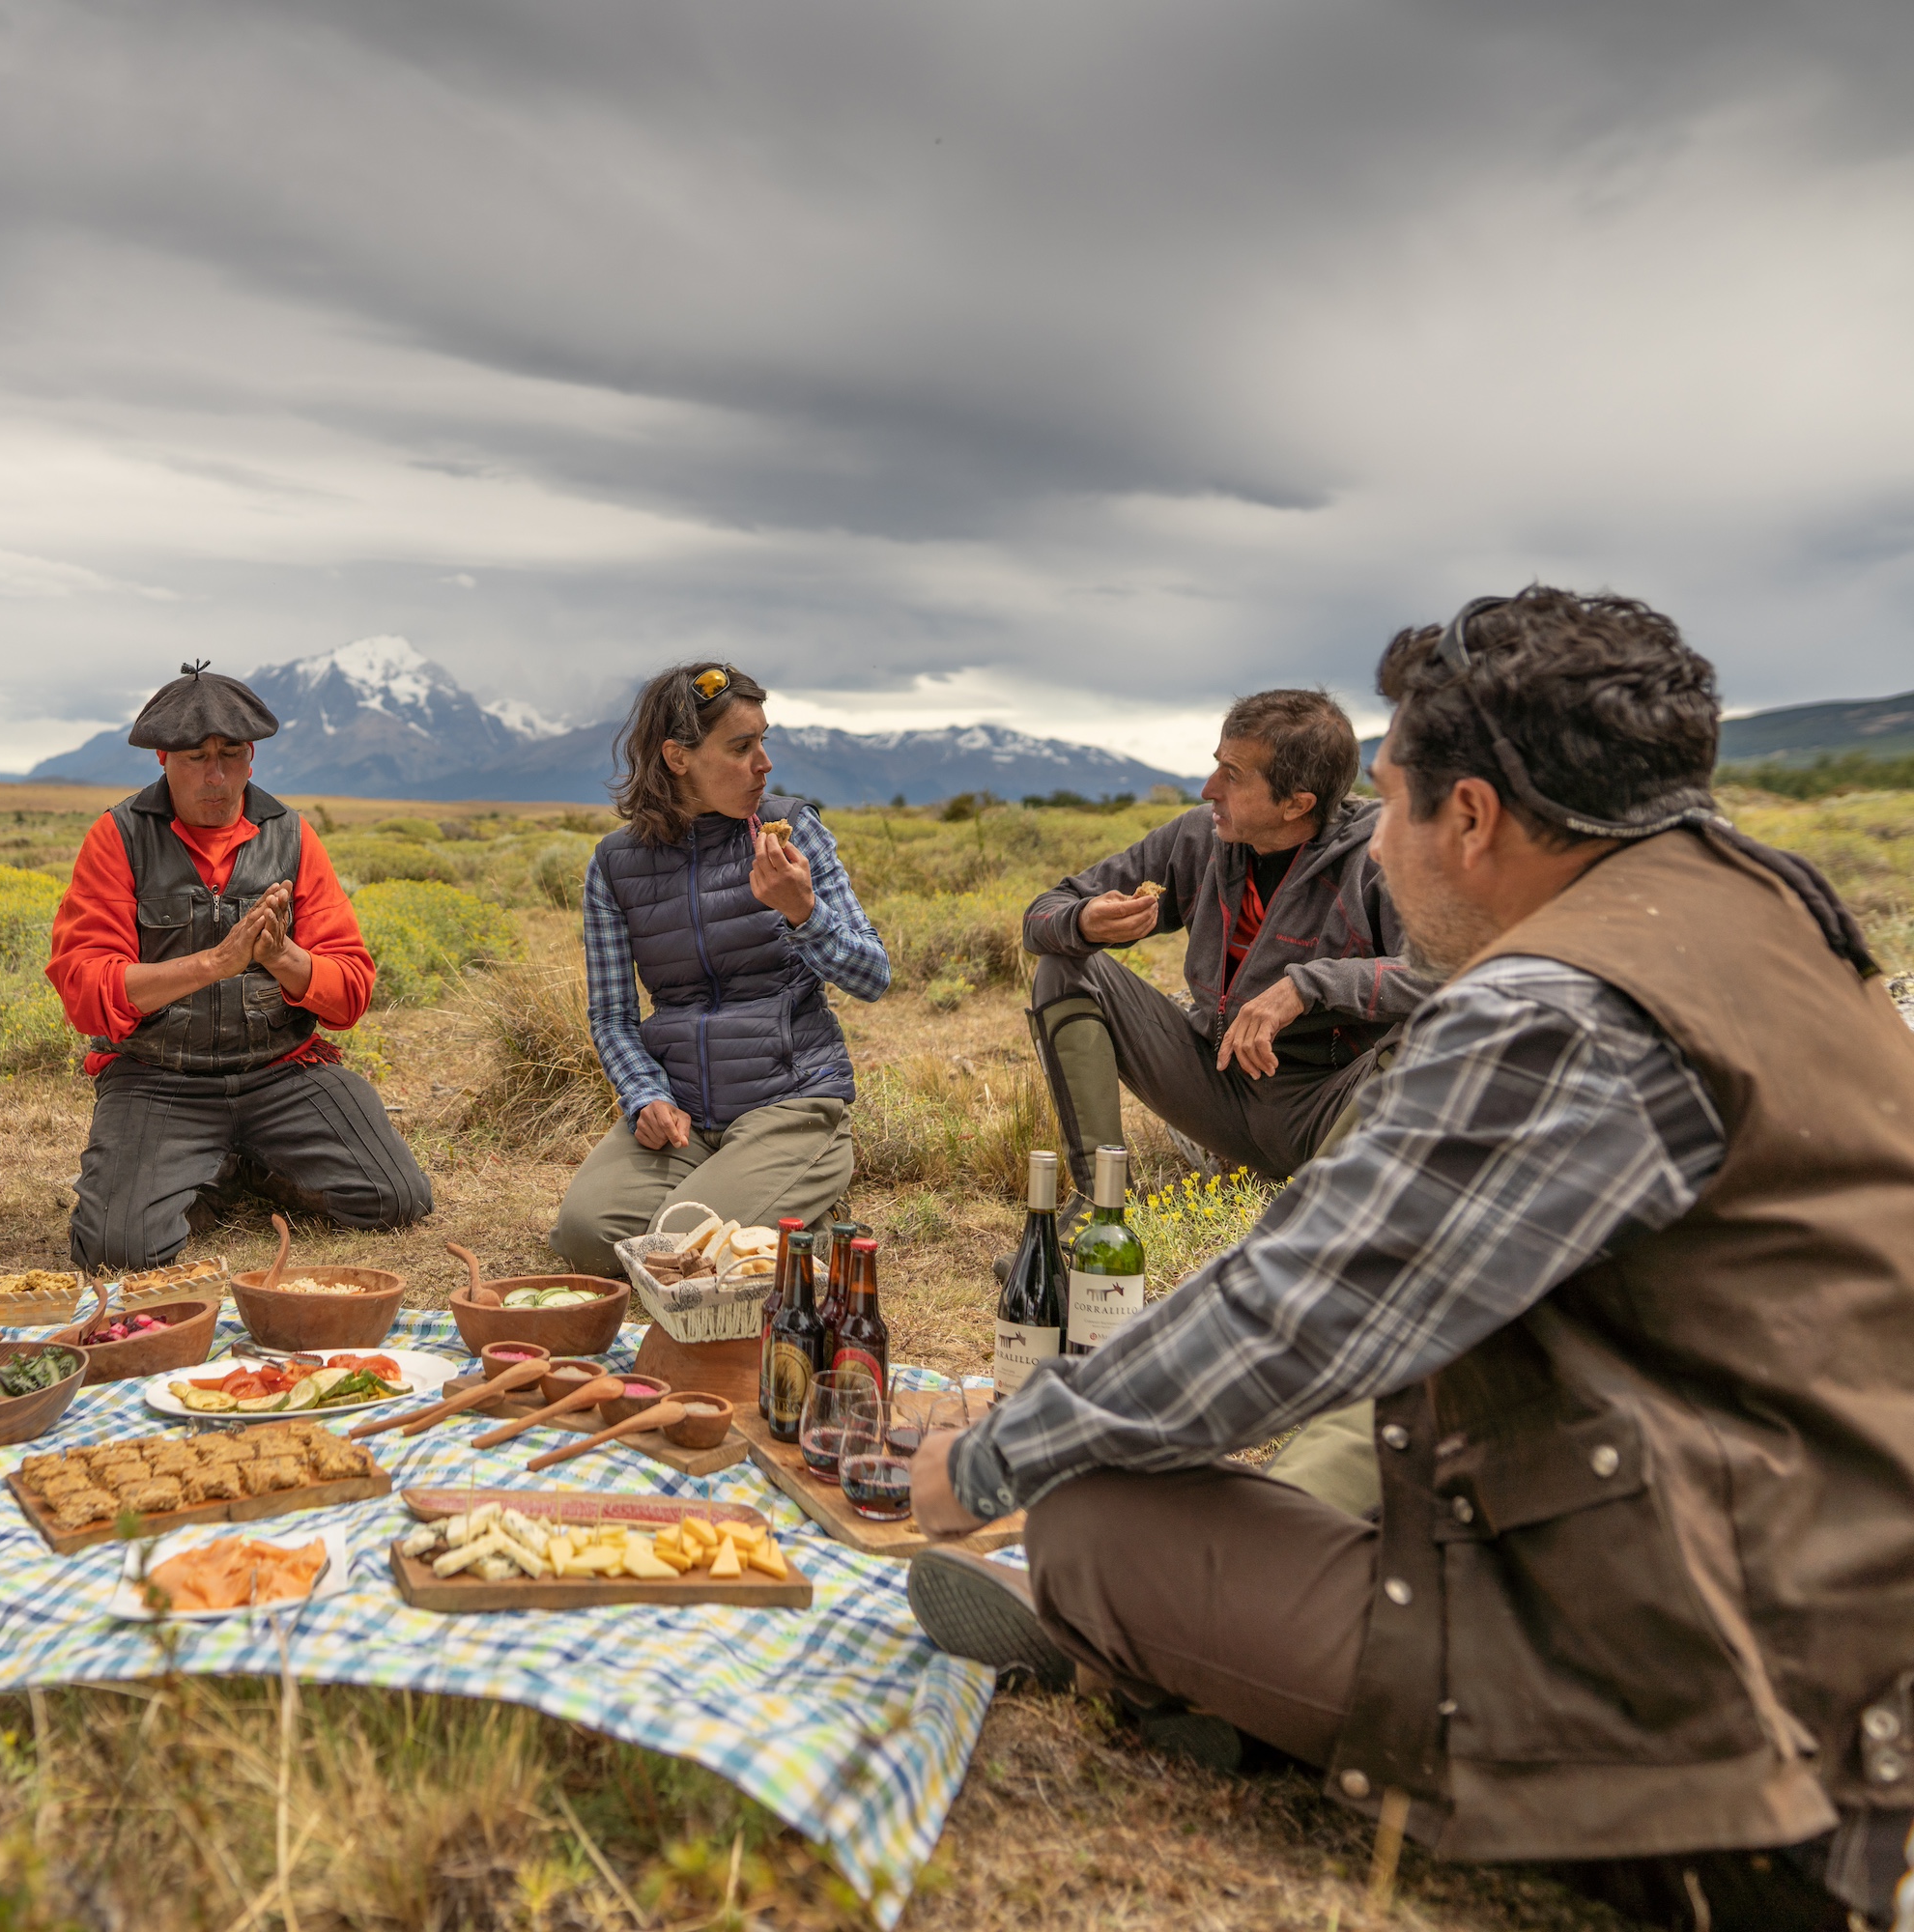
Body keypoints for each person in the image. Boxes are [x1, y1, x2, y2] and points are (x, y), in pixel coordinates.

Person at [904, 588, 1914, 1929]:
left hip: (1747, 1697)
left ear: (1476, 816)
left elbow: (1294, 1311)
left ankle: (1204, 1672)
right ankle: (1213, 1662)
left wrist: (985, 1457)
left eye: (1388, 804)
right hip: (1816, 1554)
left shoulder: (1554, 1008)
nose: (1375, 847)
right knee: (1345, 1440)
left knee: (1095, 1524)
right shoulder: (1771, 912)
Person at [47, 663, 431, 1270]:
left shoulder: (295, 838)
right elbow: (85, 989)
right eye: (196, 758)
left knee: (396, 1198)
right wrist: (215, 963)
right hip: (160, 1078)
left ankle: (244, 1163)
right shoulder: (117, 838)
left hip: (281, 1073)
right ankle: (214, 1168)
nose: (216, 776)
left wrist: (282, 956)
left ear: (253, 757)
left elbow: (351, 990)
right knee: (115, 1248)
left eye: (231, 754)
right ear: (162, 760)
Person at [550, 664, 890, 1274]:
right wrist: (644, 1095)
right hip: (682, 1113)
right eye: (740, 747)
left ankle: (794, 1183)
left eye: (763, 742)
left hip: (790, 1105)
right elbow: (612, 1015)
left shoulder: (797, 833)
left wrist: (803, 911)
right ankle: (773, 1213)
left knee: (684, 1252)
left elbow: (873, 976)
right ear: (678, 758)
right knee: (585, 1237)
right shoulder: (615, 864)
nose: (763, 763)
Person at [1022, 690, 1420, 1198]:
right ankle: (1098, 1211)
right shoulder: (1198, 838)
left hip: (1331, 1108)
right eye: (1216, 767)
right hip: (1218, 1087)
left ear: (1298, 803)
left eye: (1232, 775)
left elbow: (1454, 977)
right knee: (1066, 962)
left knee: (1431, 1032)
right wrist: (1083, 921)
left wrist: (1308, 986)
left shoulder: (1380, 856)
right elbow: (1045, 911)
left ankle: (1314, 1219)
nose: (1210, 789)